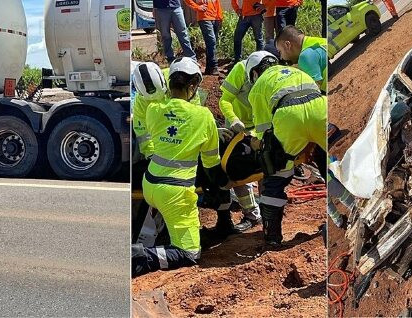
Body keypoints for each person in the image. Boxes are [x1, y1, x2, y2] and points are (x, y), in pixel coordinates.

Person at [132, 58, 233, 277]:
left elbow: (162, 131)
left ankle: (153, 237)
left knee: (163, 214)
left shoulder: (153, 110)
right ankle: (136, 255)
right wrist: (227, 184)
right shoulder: (204, 117)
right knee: (189, 253)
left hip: (150, 182)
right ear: (192, 87)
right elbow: (211, 166)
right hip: (175, 192)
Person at [246, 51, 327, 245]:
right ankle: (349, 207)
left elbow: (264, 131)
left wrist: (257, 145)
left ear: (255, 73)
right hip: (320, 107)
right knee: (328, 162)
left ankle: (272, 237)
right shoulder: (296, 71)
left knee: (275, 175)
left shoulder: (258, 87)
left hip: (288, 115)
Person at [219, 60, 262, 231]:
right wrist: (234, 119)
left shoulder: (273, 74)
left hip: (260, 125)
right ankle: (252, 214)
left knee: (265, 168)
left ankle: (266, 213)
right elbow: (225, 100)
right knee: (237, 168)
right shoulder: (240, 71)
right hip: (237, 127)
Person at [275, 25, 327, 93]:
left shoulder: (305, 57)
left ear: (287, 45)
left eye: (280, 52)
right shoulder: (318, 41)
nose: (281, 57)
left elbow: (314, 94)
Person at [184, 0, 223, 75]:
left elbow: (217, 2)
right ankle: (214, 66)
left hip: (215, 18)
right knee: (212, 42)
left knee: (211, 44)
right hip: (204, 18)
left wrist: (220, 17)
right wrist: (197, 7)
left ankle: (208, 68)